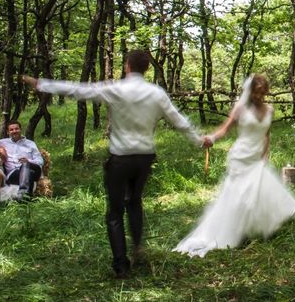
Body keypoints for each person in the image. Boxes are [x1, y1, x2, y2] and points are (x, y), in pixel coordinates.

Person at [22, 49, 213, 279]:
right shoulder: (156, 93)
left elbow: (77, 90)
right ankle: (137, 248)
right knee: (134, 201)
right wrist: (199, 140)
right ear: (147, 68)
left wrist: (41, 84)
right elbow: (179, 121)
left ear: (127, 66)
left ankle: (121, 265)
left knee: (114, 211)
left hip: (120, 158)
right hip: (144, 158)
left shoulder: (116, 88)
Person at [174, 75, 295, 257]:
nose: (259, 96)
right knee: (239, 196)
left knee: (258, 193)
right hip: (240, 157)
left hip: (256, 158)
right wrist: (210, 139)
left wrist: (265, 154)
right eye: (256, 93)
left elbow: (266, 134)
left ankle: (252, 228)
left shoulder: (270, 110)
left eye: (262, 93)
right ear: (250, 92)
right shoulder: (241, 108)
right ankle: (229, 230)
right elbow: (225, 129)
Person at [0, 120, 44, 199]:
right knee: (28, 173)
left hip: (34, 169)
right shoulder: (2, 142)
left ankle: (22, 195)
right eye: (11, 130)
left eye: (16, 129)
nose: (14, 131)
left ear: (21, 129)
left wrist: (29, 161)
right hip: (13, 174)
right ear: (8, 132)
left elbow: (40, 160)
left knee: (26, 165)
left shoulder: (30, 143)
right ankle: (25, 197)